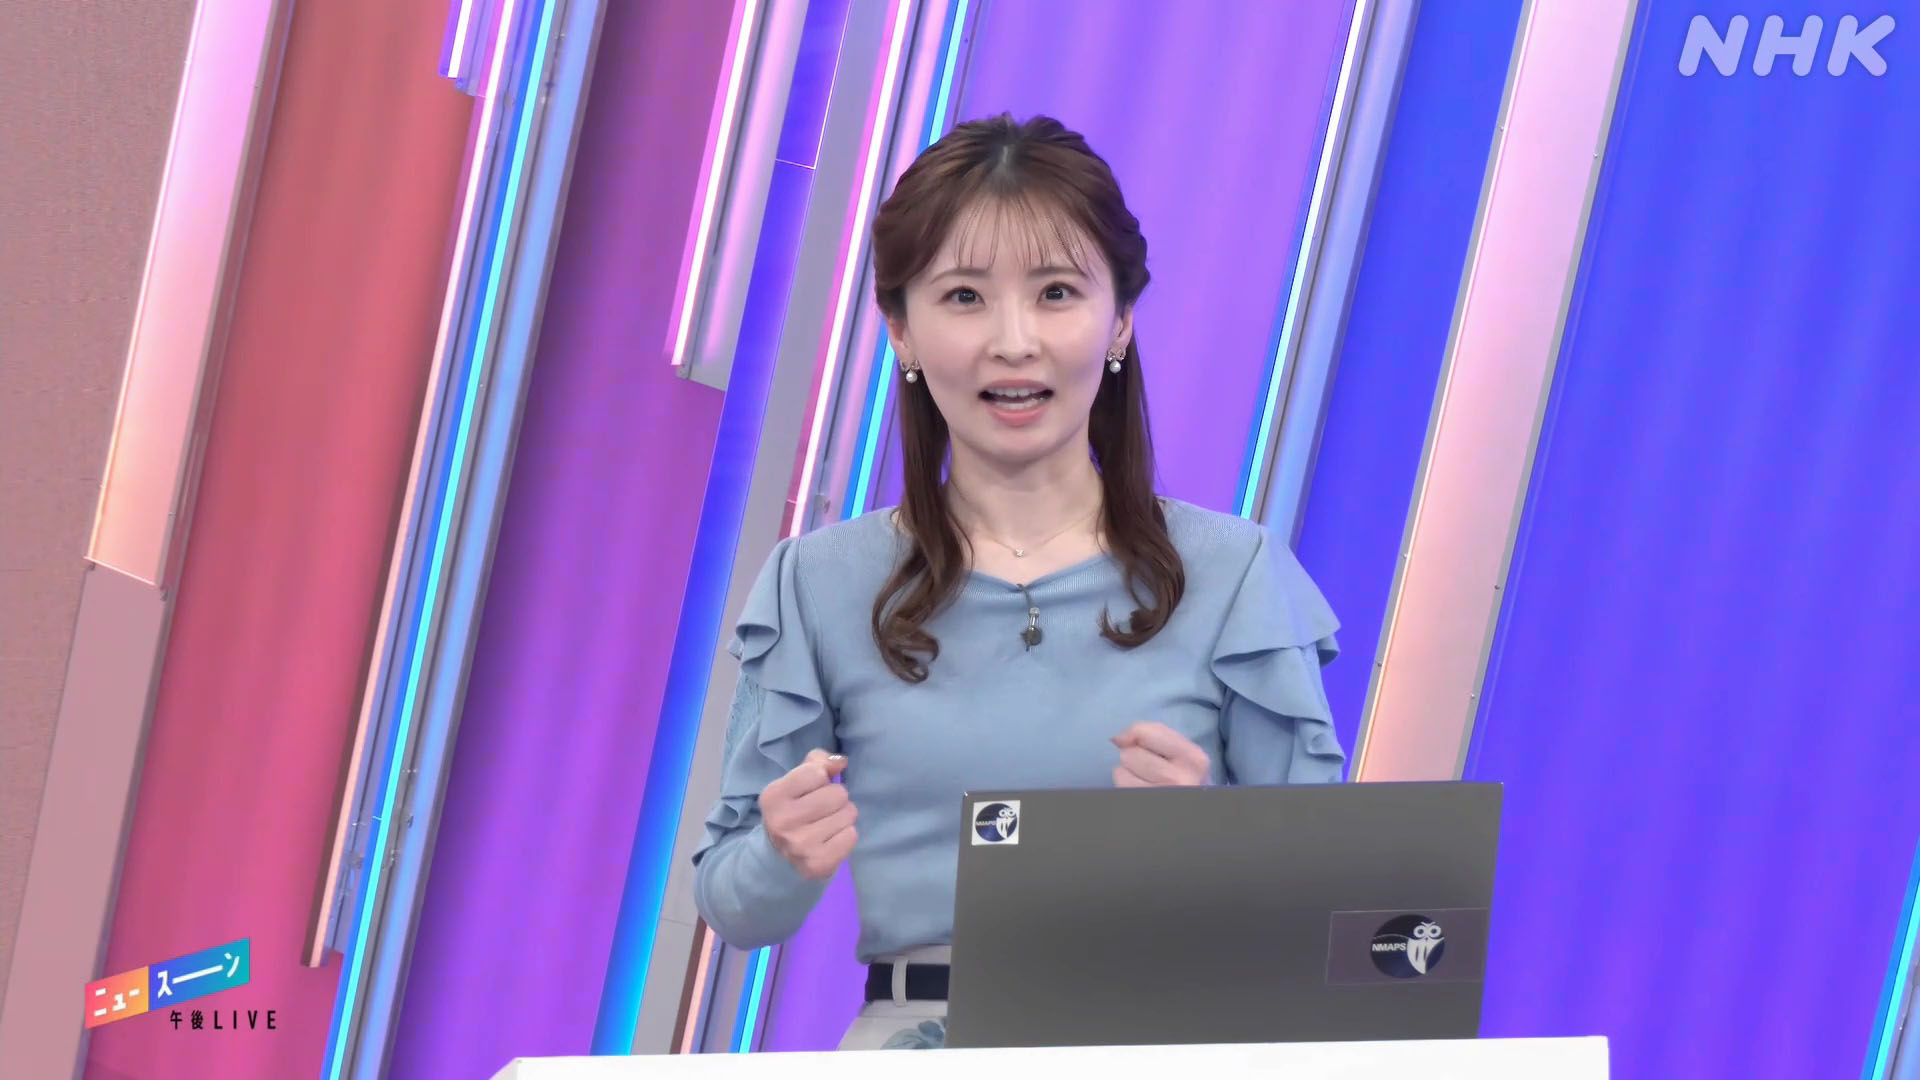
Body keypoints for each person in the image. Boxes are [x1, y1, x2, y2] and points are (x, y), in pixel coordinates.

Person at [690, 113, 1345, 1051]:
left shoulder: (1234, 573)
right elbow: (735, 906)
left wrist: (1204, 845)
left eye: (1056, 293)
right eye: (964, 296)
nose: (1013, 341)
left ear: (1120, 321)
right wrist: (784, 852)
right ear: (900, 331)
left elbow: (1329, 907)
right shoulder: (817, 584)